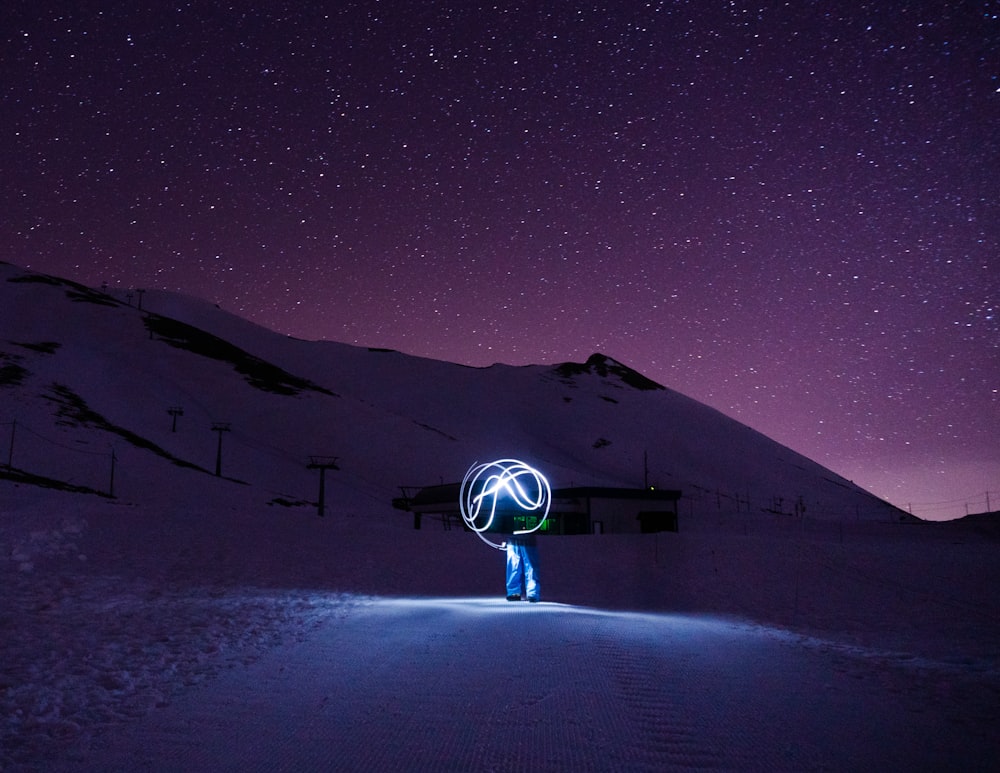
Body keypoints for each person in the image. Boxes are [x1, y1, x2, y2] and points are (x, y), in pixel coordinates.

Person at [505, 533, 540, 602]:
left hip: (525, 535)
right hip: (514, 536)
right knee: (514, 564)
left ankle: (531, 593)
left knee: (530, 565)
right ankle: (515, 593)